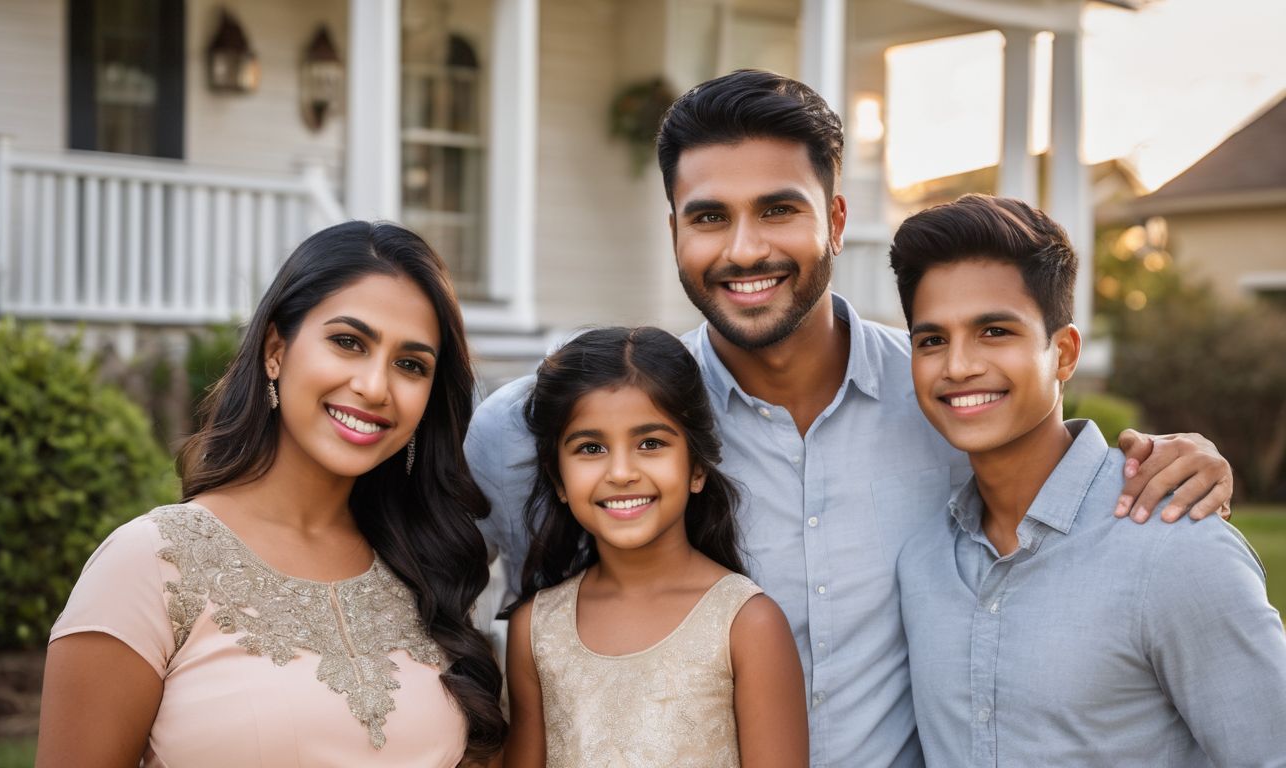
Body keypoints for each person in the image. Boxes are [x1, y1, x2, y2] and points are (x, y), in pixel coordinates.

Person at [465, 69, 1236, 767]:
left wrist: (1170, 455)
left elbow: (1057, 461)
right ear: (674, 233)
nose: (745, 248)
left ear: (834, 221)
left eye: (778, 210)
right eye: (709, 218)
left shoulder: (947, 394)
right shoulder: (553, 430)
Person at [37, 221, 505, 767]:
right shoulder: (149, 565)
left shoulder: (429, 571)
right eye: (348, 342)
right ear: (275, 350)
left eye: (410, 365)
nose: (376, 387)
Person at [890, 194, 1286, 766]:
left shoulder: (1175, 548)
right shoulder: (923, 561)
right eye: (932, 341)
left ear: (1065, 353)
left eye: (995, 331)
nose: (957, 366)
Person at [501, 326, 807, 768]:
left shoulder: (747, 624)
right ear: (558, 478)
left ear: (697, 466)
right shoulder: (535, 630)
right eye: (591, 448)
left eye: (650, 444)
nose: (621, 472)